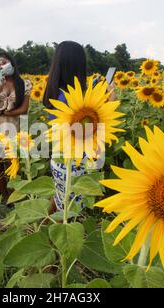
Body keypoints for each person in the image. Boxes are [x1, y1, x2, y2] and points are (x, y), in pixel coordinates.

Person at [43, 41, 116, 212]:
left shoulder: (56, 93)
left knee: (61, 195)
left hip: (60, 157)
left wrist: (94, 93)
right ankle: (56, 233)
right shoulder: (73, 99)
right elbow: (97, 128)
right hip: (78, 161)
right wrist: (110, 99)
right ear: (79, 65)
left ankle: (45, 223)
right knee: (73, 208)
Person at [0, 52, 32, 202]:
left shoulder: (24, 83)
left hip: (13, 128)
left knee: (13, 164)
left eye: (4, 62)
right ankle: (5, 195)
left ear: (12, 63)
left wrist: (4, 111)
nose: (2, 66)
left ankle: (15, 195)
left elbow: (24, 109)